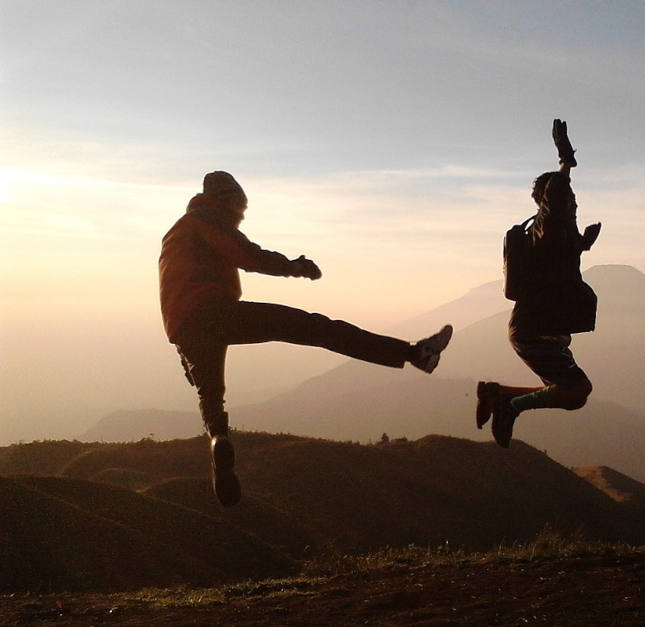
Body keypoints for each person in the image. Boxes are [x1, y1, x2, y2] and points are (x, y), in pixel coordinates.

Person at [159, 171, 452, 506]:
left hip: (183, 328)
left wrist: (184, 350)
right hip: (213, 313)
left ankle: (218, 444)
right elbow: (248, 256)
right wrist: (295, 267)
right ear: (228, 201)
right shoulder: (208, 218)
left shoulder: (177, 231)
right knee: (314, 327)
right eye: (240, 208)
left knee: (210, 395)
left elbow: (174, 291)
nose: (241, 216)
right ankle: (416, 354)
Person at [475, 120, 602, 448]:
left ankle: (498, 395)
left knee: (570, 393)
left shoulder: (552, 235)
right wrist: (565, 162)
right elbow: (556, 197)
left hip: (539, 330)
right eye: (570, 199)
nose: (575, 203)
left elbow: (556, 261)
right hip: (534, 331)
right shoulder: (547, 228)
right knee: (578, 390)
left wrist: (583, 244)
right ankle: (510, 406)